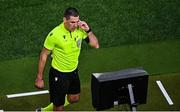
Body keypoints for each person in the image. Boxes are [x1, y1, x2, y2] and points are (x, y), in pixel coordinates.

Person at [35, 7, 99, 111]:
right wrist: (39, 77)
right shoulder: (55, 34)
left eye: (77, 21)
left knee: (74, 98)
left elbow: (95, 45)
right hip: (59, 74)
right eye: (72, 22)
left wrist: (88, 30)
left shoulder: (80, 30)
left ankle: (44, 111)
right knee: (58, 107)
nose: (75, 25)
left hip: (73, 71)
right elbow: (44, 55)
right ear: (64, 20)